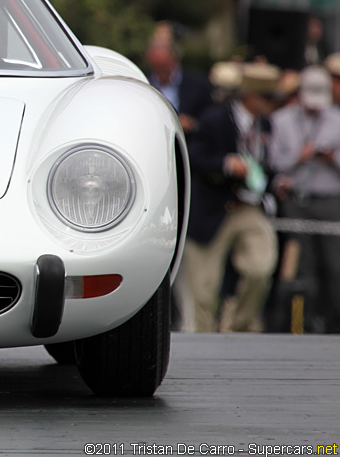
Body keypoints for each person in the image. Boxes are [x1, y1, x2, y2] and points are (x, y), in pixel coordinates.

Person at [185, 62, 280, 332]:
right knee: (204, 290)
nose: (272, 105)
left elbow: (264, 166)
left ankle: (237, 325)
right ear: (251, 96)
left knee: (261, 268)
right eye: (267, 98)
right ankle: (205, 342)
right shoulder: (214, 118)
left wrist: (277, 181)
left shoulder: (266, 125)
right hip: (213, 207)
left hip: (249, 206)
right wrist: (227, 164)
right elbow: (194, 155)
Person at [268, 65, 340, 333]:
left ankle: (335, 325)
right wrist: (300, 157)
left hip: (331, 200)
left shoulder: (336, 120)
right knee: (300, 267)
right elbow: (274, 163)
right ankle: (300, 326)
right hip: (297, 201)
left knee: (335, 266)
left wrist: (331, 159)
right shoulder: (282, 120)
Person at [145, 37, 213, 140]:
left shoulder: (197, 84)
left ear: (175, 61)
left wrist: (192, 123)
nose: (159, 72)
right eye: (156, 67)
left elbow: (211, 118)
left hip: (190, 144)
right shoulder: (145, 84)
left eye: (164, 66)